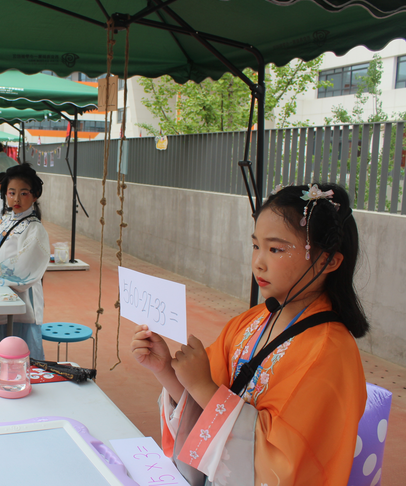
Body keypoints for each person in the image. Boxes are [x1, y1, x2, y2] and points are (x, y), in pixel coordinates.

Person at [131, 183, 368, 486]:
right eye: (256, 245)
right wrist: (164, 369)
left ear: (328, 261)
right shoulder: (252, 321)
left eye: (276, 249)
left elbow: (281, 464)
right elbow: (204, 410)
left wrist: (203, 385)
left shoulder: (330, 353)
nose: (258, 261)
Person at [0, 163, 49, 364]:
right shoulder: (6, 220)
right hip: (2, 291)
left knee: (18, 356)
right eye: (11, 192)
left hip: (23, 299)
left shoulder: (35, 229)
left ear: (35, 195)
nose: (16, 199)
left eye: (24, 193)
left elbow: (25, 267)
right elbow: (0, 253)